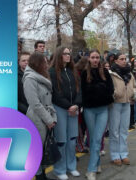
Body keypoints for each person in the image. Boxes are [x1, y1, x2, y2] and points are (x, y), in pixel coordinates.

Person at [22, 52, 57, 180]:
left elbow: (48, 100)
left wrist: (52, 118)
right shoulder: (30, 78)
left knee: (44, 148)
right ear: (38, 63)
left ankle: (43, 174)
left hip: (45, 116)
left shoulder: (41, 76)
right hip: (37, 118)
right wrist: (48, 119)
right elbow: (35, 103)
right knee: (37, 149)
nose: (46, 64)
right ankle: (39, 176)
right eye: (44, 62)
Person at [81, 49, 114, 180]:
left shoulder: (105, 72)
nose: (95, 60)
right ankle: (96, 164)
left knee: (97, 139)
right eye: (93, 57)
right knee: (93, 139)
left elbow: (110, 89)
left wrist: (96, 89)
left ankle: (91, 170)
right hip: (89, 110)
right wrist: (100, 88)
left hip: (103, 109)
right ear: (89, 58)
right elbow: (84, 92)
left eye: (97, 57)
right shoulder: (84, 73)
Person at [49, 47, 81, 180]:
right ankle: (60, 169)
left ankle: (71, 166)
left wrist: (77, 105)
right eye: (65, 54)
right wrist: (69, 106)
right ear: (59, 55)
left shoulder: (73, 70)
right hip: (61, 109)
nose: (68, 56)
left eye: (69, 54)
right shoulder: (51, 72)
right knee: (61, 140)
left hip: (73, 109)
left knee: (72, 139)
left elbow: (80, 90)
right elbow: (55, 93)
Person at [109, 53, 136, 166]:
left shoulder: (129, 73)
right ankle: (115, 155)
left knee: (124, 130)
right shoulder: (111, 73)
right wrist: (115, 94)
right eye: (121, 59)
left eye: (125, 59)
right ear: (116, 61)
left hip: (127, 103)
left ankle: (124, 154)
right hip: (115, 104)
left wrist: (134, 94)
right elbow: (109, 88)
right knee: (114, 131)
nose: (124, 61)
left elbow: (134, 86)